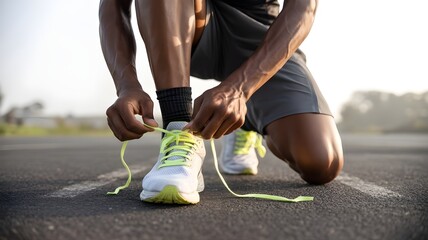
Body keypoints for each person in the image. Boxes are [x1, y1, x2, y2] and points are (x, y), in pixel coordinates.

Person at [99, 0, 344, 204]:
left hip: (263, 35)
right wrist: (126, 85)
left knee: (322, 162)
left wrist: (240, 88)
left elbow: (304, 8)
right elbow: (112, 6)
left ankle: (246, 120)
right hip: (191, 21)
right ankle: (179, 132)